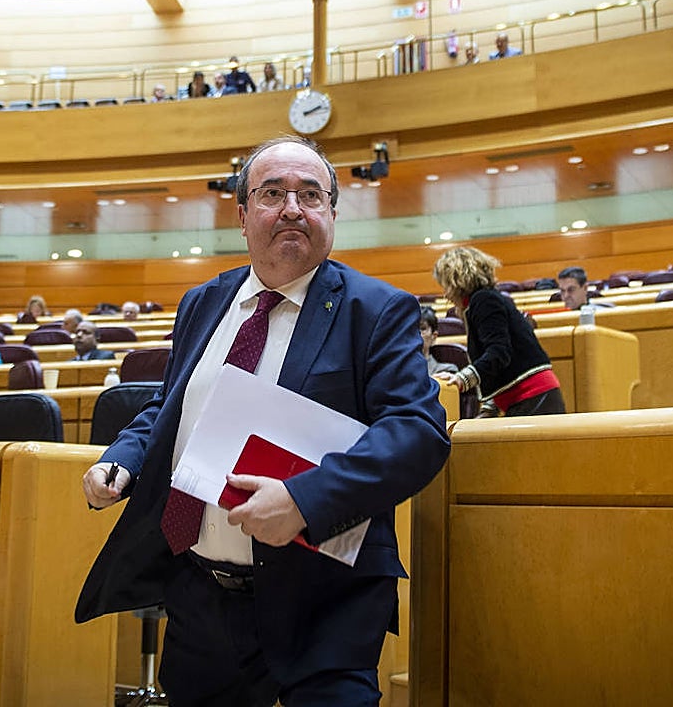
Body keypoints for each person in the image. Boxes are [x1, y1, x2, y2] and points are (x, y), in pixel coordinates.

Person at [77, 136, 450, 706]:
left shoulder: (376, 310)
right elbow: (172, 403)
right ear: (243, 214)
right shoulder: (203, 301)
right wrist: (124, 457)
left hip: (324, 602)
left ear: (332, 212)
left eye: (311, 195)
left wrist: (304, 500)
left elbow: (417, 433)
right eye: (273, 193)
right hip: (201, 596)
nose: (293, 208)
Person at [433, 246, 565, 417]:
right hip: (530, 397)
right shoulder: (484, 300)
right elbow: (499, 362)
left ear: (457, 280)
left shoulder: (483, 300)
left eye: (445, 285)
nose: (445, 294)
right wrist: (490, 407)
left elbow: (499, 352)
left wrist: (461, 378)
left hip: (533, 395)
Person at [420, 307, 457, 377]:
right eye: (410, 329)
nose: (416, 334)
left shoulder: (446, 371)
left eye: (422, 329)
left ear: (433, 336)